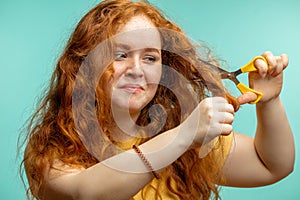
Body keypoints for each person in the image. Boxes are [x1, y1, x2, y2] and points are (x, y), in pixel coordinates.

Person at [19, 0, 295, 200]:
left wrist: (269, 102)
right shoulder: (52, 148)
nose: (137, 69)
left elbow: (271, 165)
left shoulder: (187, 137)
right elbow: (85, 194)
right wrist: (183, 136)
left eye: (150, 58)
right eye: (120, 54)